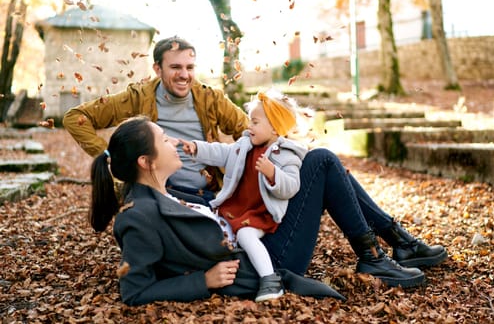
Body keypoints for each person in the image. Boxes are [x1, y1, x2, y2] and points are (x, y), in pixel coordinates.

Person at [64, 35, 447, 296]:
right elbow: (138, 286)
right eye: (175, 67)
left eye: (190, 67)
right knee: (324, 165)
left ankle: (391, 243)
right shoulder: (142, 192)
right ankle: (380, 253)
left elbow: (245, 133)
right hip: (246, 245)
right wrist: (116, 160)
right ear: (157, 69)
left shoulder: (207, 98)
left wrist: (282, 143)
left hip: (212, 197)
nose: (184, 74)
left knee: (319, 164)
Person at [90, 116, 345, 305]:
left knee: (315, 163)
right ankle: (374, 248)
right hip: (267, 264)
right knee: (321, 161)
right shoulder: (138, 217)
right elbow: (135, 291)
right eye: (164, 140)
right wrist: (203, 281)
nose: (173, 143)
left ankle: (376, 245)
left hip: (258, 238)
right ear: (146, 162)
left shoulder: (166, 192)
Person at [180, 89, 308, 302]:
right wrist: (197, 149)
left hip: (259, 213)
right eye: (250, 121)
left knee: (245, 236)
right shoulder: (245, 144)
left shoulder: (287, 155)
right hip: (236, 208)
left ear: (275, 128)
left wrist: (272, 173)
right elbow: (221, 151)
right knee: (212, 226)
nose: (249, 126)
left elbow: (291, 186)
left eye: (255, 122)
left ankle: (270, 280)